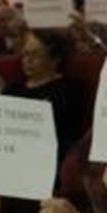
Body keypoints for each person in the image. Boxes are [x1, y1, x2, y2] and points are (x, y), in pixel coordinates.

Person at [7, 30, 81, 161]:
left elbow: (62, 134)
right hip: (10, 151)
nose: (28, 60)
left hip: (44, 155)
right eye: (25, 54)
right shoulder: (13, 88)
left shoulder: (67, 90)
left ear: (55, 59)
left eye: (35, 55)